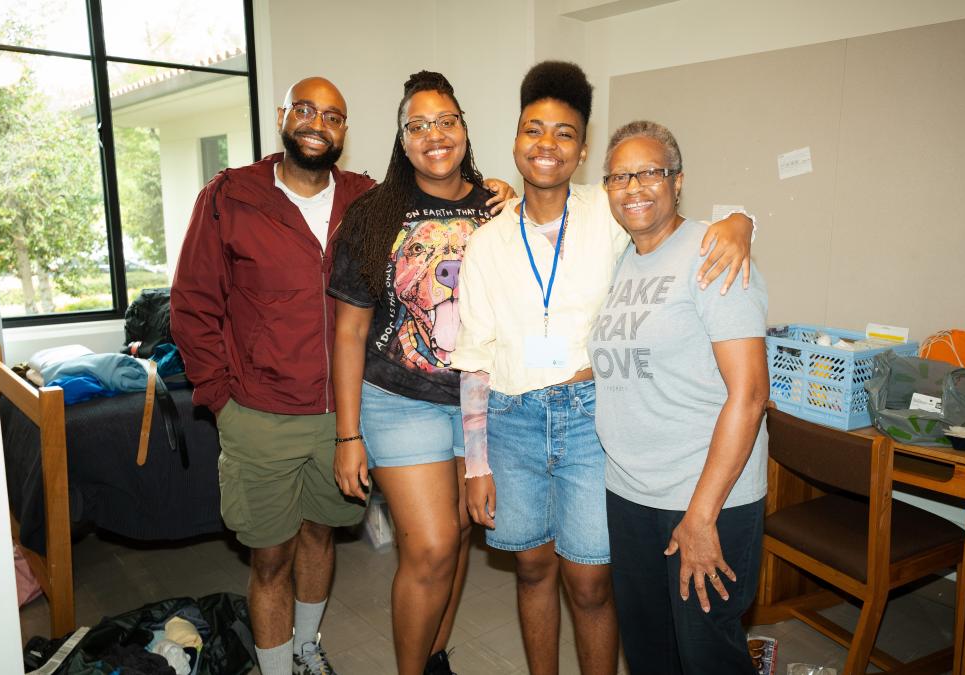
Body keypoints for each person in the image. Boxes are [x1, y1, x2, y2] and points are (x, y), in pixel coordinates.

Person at [172, 76, 512, 675]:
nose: (316, 124)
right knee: (273, 558)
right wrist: (219, 397)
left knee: (329, 539)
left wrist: (503, 190)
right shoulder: (231, 195)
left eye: (332, 115)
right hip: (269, 409)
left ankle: (309, 648)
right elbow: (194, 303)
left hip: (347, 407)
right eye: (305, 110)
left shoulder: (363, 196)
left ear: (346, 130)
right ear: (284, 117)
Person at [452, 61, 755, 675]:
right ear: (514, 139)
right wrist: (474, 463)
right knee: (533, 569)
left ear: (583, 150)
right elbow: (475, 360)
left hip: (591, 420)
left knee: (591, 582)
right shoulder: (484, 242)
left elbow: (676, 221)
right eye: (533, 129)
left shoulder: (609, 211)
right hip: (511, 421)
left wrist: (741, 222)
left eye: (564, 133)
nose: (547, 145)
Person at [327, 71, 501, 675]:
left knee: (455, 543)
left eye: (445, 121)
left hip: (481, 402)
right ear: (402, 141)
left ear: (464, 129)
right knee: (428, 547)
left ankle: (434, 662)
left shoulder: (498, 207)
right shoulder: (374, 213)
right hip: (399, 400)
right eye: (418, 125)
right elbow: (349, 331)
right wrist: (348, 435)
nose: (434, 134)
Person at [590, 120, 770, 675]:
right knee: (648, 651)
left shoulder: (714, 253)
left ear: (677, 181)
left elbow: (750, 393)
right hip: (629, 491)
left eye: (650, 172)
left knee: (707, 655)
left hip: (703, 495)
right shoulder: (620, 259)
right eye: (620, 176)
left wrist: (700, 515)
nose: (634, 187)